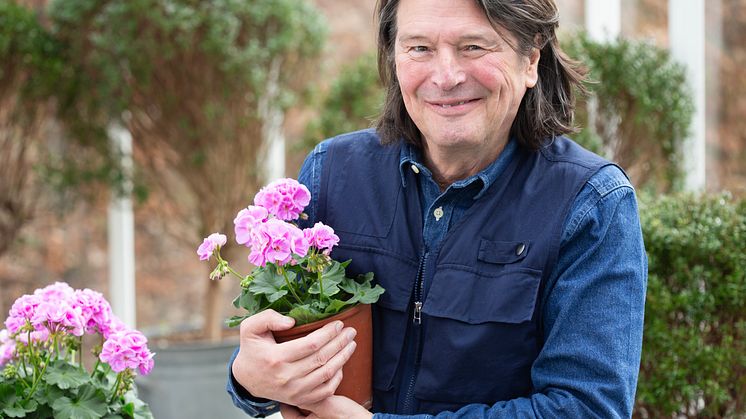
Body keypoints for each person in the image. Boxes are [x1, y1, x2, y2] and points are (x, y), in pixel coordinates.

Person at [227, 0, 648, 417]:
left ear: (530, 60)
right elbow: (279, 341)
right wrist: (249, 376)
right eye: (419, 48)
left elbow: (587, 409)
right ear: (394, 59)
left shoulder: (591, 205)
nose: (446, 77)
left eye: (473, 47)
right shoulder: (331, 173)